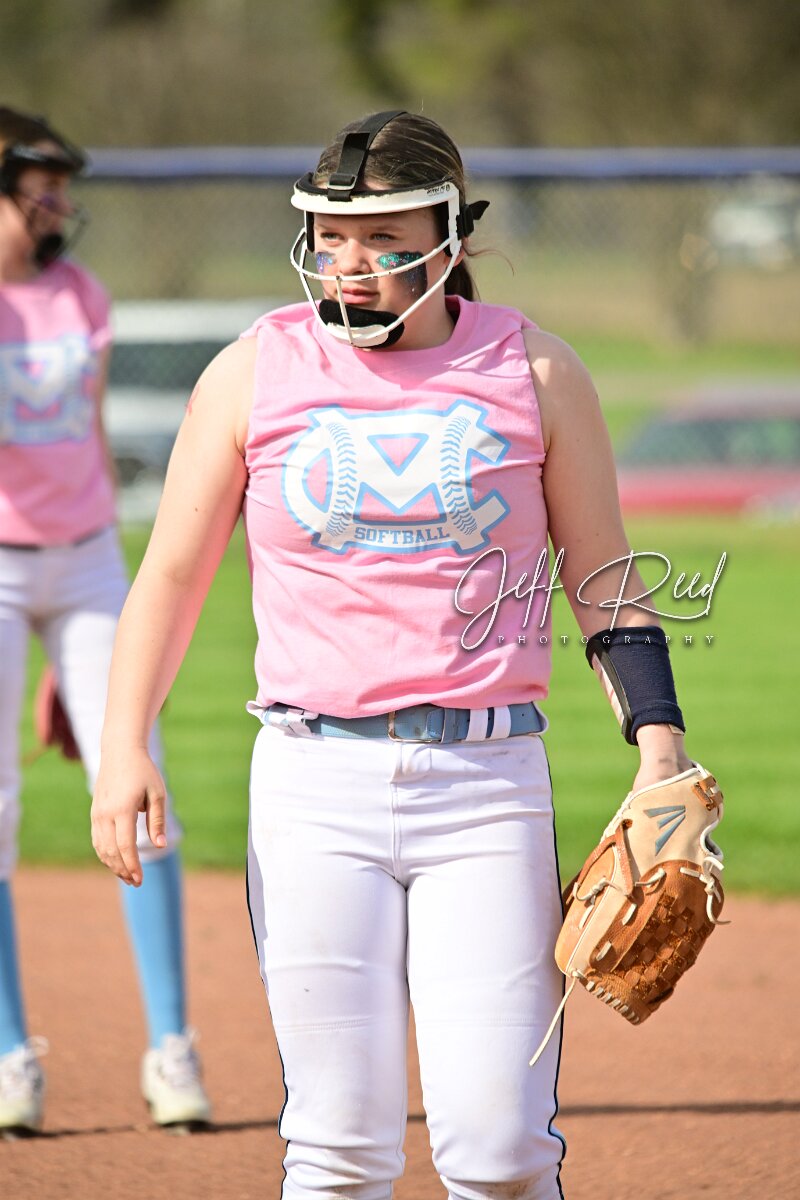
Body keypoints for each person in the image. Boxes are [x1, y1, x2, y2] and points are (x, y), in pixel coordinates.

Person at [91, 111, 693, 1199]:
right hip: (311, 784)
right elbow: (170, 576)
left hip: (486, 784)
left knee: (501, 1152)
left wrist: (660, 748)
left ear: (450, 240)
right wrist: (122, 743)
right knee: (337, 1152)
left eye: (382, 239)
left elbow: (604, 580)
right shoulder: (253, 370)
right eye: (330, 238)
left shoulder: (536, 369)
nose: (350, 263)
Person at [0, 105, 211, 1135]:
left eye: (61, 190)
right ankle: (9, 1056)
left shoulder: (80, 293)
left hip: (85, 561)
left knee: (137, 779)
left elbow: (84, 440)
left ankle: (172, 1046)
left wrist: (87, 641)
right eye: (39, 189)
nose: (58, 207)